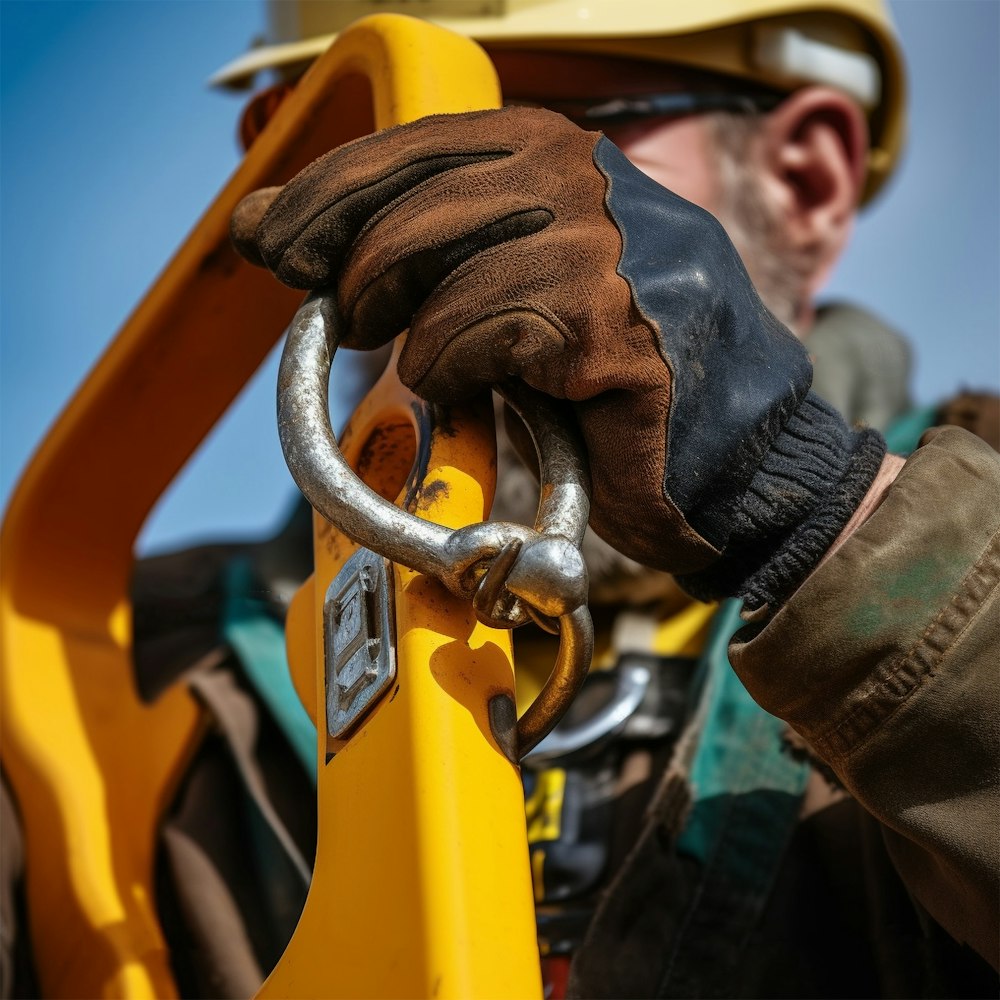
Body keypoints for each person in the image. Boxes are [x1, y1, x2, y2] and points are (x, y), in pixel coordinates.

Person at [2, 3, 996, 999]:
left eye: (548, 137)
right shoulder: (108, 666)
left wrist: (800, 502)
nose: (434, 226)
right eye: (370, 164)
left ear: (803, 181)